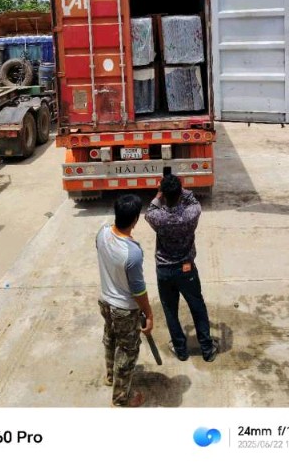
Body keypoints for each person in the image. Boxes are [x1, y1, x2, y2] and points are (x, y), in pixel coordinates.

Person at [145, 174, 218, 362]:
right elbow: (193, 200)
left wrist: (160, 192)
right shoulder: (191, 213)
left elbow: (151, 208)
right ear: (180, 193)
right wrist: (179, 188)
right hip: (186, 269)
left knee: (170, 310)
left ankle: (181, 350)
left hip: (164, 270)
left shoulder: (156, 217)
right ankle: (207, 349)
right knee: (197, 306)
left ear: (163, 194)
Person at [96, 193, 154, 407]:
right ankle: (121, 398)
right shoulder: (132, 253)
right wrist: (149, 313)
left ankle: (110, 376)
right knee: (127, 352)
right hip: (124, 310)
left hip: (105, 301)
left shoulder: (102, 233)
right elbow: (138, 290)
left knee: (110, 338)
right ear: (135, 220)